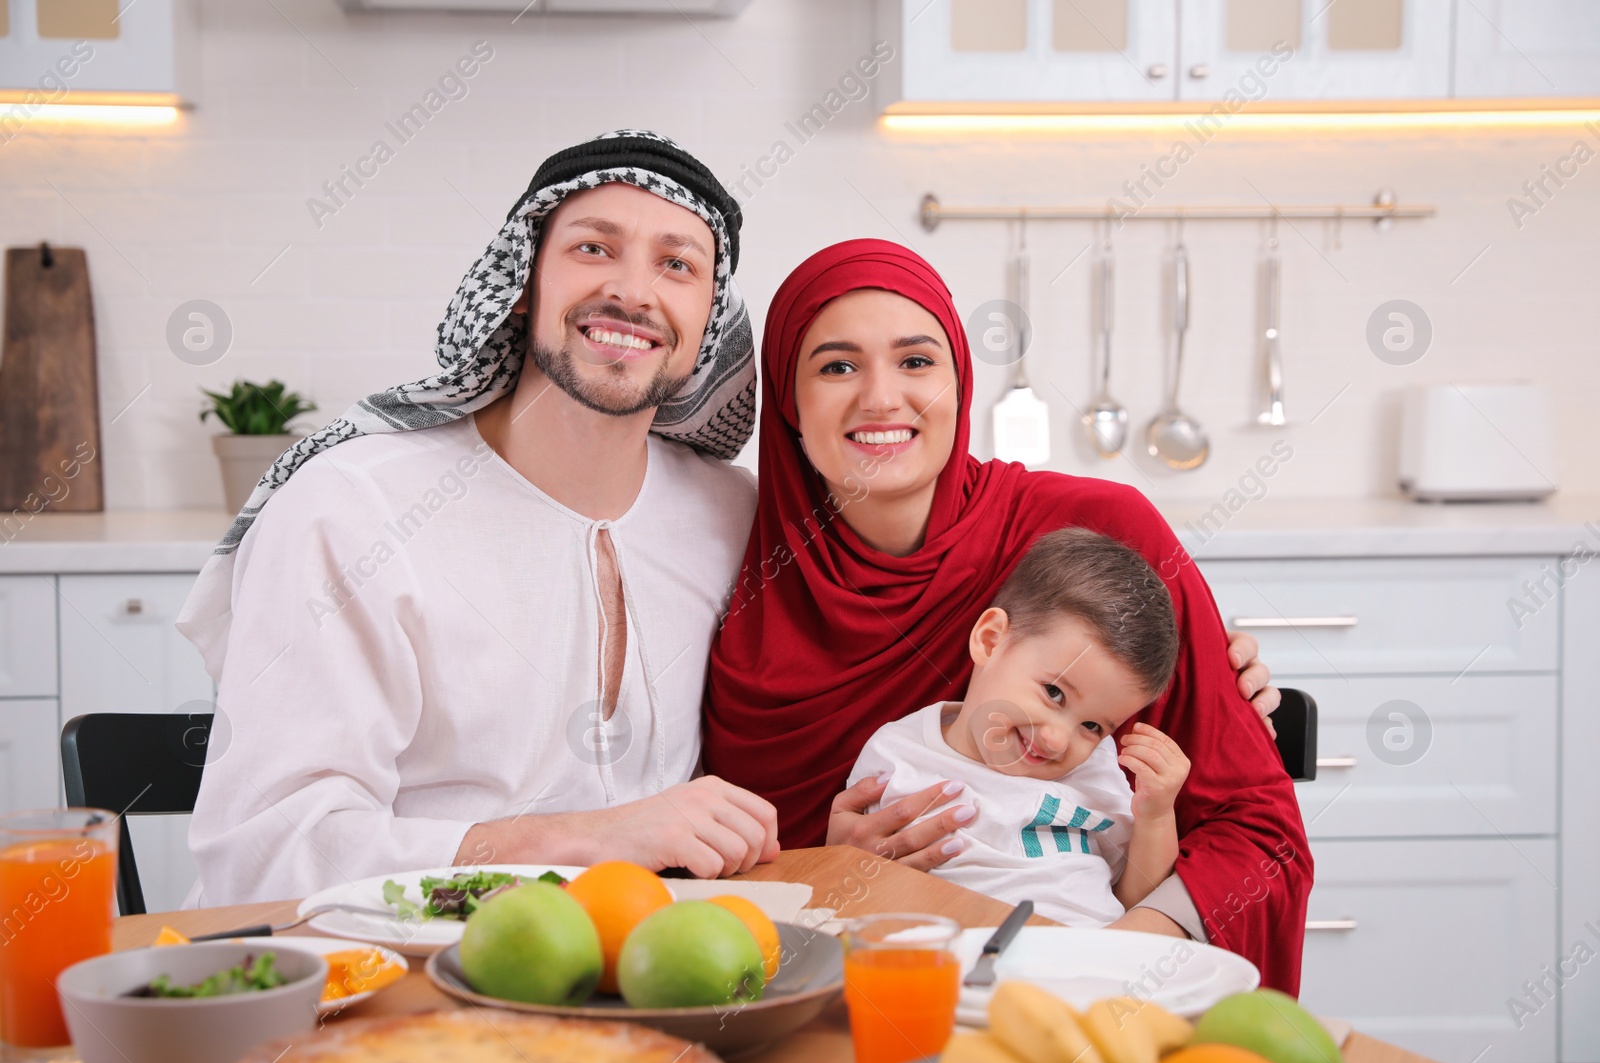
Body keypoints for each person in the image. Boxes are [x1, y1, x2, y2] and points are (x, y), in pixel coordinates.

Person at [176, 131, 781, 906]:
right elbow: (264, 853)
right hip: (365, 983)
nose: (634, 291)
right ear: (523, 283)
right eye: (595, 248)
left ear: (707, 323)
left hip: (629, 974)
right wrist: (585, 841)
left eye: (677, 264)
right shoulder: (352, 508)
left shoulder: (730, 512)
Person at [703, 239, 1311, 993]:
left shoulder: (1100, 529)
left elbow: (1261, 833)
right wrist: (831, 858)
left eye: (917, 361)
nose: (882, 398)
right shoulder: (738, 579)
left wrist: (1107, 962)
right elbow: (731, 879)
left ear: (961, 382)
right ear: (788, 403)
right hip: (874, 986)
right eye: (837, 365)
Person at [847, 527, 1189, 927]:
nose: (1057, 739)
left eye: (1093, 725)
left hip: (1092, 960)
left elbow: (1135, 899)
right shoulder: (897, 756)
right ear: (990, 640)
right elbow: (859, 889)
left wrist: (1156, 816)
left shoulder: (1093, 769)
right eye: (1054, 693)